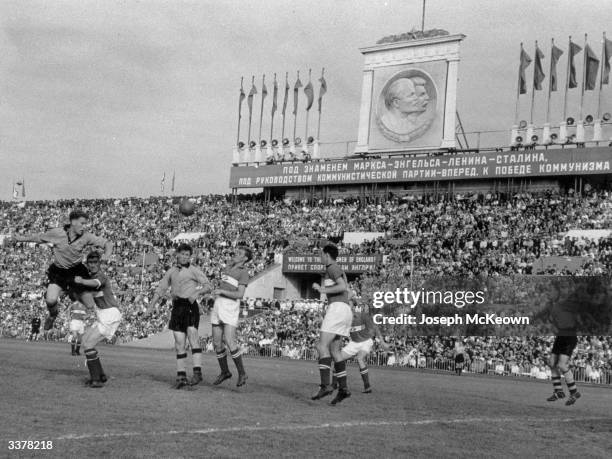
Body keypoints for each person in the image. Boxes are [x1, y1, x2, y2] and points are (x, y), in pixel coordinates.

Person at [9, 210, 113, 333]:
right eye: (82, 223)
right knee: (50, 300)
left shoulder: (86, 236)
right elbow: (39, 238)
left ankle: (73, 294)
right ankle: (53, 315)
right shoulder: (57, 233)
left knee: (90, 305)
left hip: (77, 271)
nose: (84, 227)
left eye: (85, 224)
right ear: (73, 222)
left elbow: (107, 243)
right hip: (59, 271)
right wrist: (21, 239)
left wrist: (107, 254)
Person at [148, 243, 213, 389]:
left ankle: (197, 372)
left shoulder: (194, 270)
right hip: (177, 307)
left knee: (193, 336)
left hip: (190, 306)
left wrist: (197, 293)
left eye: (187, 255)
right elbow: (161, 288)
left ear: (190, 257)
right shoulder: (171, 271)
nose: (184, 257)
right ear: (177, 254)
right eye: (182, 254)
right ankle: (181, 376)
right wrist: (151, 306)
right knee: (179, 343)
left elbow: (208, 286)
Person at [72, 252, 122, 388]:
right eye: (90, 263)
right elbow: (85, 297)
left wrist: (81, 281)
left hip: (110, 313)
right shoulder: (89, 278)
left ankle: (96, 380)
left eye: (95, 262)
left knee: (88, 345)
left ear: (99, 263)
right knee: (85, 342)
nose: (93, 265)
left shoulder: (101, 277)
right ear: (87, 264)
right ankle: (100, 375)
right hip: (102, 314)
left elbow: (96, 283)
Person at [311, 243, 353, 405]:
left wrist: (322, 290)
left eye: (321, 254)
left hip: (337, 308)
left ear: (327, 255)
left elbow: (342, 286)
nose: (320, 257)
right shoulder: (339, 269)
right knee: (335, 350)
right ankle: (343, 389)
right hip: (345, 309)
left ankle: (325, 386)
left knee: (321, 347)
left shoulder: (332, 267)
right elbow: (347, 290)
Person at [210, 246, 251, 387]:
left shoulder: (243, 272)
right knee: (216, 343)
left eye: (239, 253)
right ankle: (225, 372)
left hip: (230, 306)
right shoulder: (228, 267)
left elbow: (240, 294)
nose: (236, 254)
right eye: (237, 252)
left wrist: (221, 291)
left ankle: (242, 373)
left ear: (245, 259)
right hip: (218, 304)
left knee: (229, 340)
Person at [333, 297, 390, 393]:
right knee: (338, 359)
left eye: (349, 304)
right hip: (354, 343)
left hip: (366, 341)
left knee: (360, 358)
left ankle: (367, 387)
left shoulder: (361, 316)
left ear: (353, 307)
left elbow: (375, 328)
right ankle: (334, 384)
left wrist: (382, 342)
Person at [547, 285, 581, 405]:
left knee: (561, 364)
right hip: (561, 335)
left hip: (569, 336)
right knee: (552, 363)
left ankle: (574, 392)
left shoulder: (566, 303)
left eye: (551, 291)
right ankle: (558, 391)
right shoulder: (552, 306)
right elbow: (553, 321)